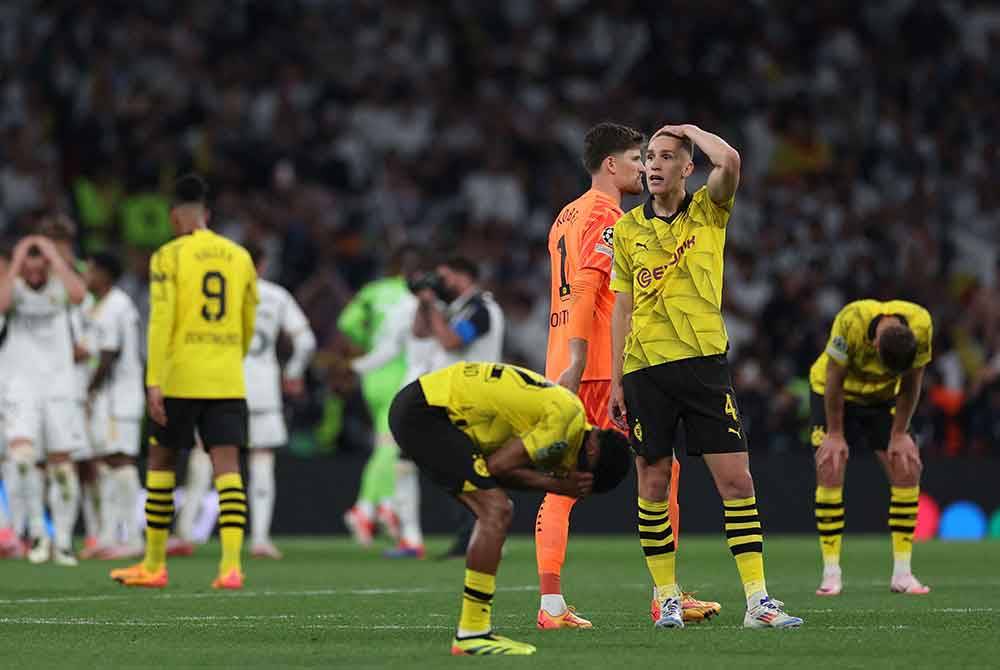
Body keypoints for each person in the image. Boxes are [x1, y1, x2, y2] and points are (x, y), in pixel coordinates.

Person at [609, 124, 802, 629]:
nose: (653, 165)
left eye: (666, 156)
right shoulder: (627, 230)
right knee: (653, 482)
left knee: (736, 480)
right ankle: (667, 597)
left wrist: (690, 130)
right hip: (645, 369)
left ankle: (758, 601)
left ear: (687, 168)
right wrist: (614, 381)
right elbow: (622, 307)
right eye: (649, 156)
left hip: (704, 365)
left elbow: (731, 161)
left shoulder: (708, 209)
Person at [538, 121, 717, 628]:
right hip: (597, 367)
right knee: (660, 469)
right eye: (638, 159)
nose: (645, 168)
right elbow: (586, 288)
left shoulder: (565, 216)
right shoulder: (607, 217)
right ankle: (665, 596)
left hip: (563, 362)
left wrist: (566, 362)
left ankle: (551, 605)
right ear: (611, 164)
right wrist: (579, 362)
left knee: (563, 480)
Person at [389, 361, 632, 655]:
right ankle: (472, 633)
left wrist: (553, 483)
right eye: (582, 476)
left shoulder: (569, 417)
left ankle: (474, 631)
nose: (568, 473)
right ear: (592, 450)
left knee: (496, 508)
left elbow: (497, 473)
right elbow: (498, 468)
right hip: (429, 412)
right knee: (496, 510)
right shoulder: (564, 426)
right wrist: (558, 485)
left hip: (427, 405)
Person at [110, 174, 257, 589]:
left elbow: (161, 321)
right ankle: (231, 567)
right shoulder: (239, 256)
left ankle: (154, 564)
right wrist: (231, 357)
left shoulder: (169, 256)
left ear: (176, 217)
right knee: (227, 468)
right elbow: (248, 319)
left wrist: (154, 380)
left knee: (161, 462)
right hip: (226, 376)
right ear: (207, 214)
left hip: (180, 375)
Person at [809, 299, 933, 596]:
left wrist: (899, 433)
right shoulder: (850, 320)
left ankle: (903, 574)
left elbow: (912, 383)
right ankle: (831, 574)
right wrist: (835, 433)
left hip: (883, 400)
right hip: (834, 392)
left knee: (906, 467)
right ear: (875, 345)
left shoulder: (921, 324)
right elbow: (834, 377)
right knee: (831, 466)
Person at [345, 256, 444, 558]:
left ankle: (374, 508)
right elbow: (390, 347)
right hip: (420, 386)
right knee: (399, 454)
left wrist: (356, 367)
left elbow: (351, 325)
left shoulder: (377, 293)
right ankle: (389, 517)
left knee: (392, 450)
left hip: (409, 384)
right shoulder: (419, 306)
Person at [0, 233, 89, 566]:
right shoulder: (14, 288)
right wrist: (17, 259)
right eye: (29, 267)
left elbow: (80, 295)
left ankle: (62, 540)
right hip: (20, 386)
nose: (34, 274)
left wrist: (54, 255)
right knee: (22, 459)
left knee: (62, 465)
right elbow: (1, 305)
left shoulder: (59, 288)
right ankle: (37, 533)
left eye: (41, 267)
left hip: (59, 386)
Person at [413, 256, 505, 558]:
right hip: (457, 398)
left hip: (476, 399)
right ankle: (472, 536)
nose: (439, 284)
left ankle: (480, 535)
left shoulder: (482, 309)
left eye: (444, 277)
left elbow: (451, 341)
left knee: (471, 468)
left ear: (463, 275)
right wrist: (424, 304)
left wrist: (433, 306)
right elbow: (420, 332)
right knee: (458, 468)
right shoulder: (458, 308)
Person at [240, 242, 316, 558]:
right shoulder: (276, 295)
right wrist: (293, 372)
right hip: (263, 388)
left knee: (208, 454)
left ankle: (187, 533)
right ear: (262, 264)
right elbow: (306, 341)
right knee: (262, 459)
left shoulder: (221, 294)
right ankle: (259, 538)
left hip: (222, 385)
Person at [338, 249, 414, 545]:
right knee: (390, 446)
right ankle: (366, 507)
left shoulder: (372, 292)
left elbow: (347, 323)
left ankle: (382, 505)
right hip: (399, 371)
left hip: (373, 375)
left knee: (383, 444)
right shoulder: (411, 295)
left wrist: (366, 341)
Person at [82, 252, 145, 560]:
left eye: (91, 270)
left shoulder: (116, 305)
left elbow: (108, 355)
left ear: (105, 274)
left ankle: (133, 537)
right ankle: (108, 535)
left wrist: (87, 392)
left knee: (120, 461)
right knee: (107, 464)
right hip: (109, 399)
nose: (87, 276)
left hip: (119, 397)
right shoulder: (101, 305)